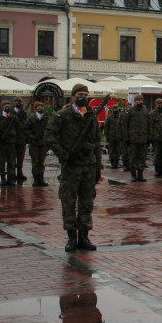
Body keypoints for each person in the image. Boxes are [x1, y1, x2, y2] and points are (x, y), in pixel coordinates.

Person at [46, 84, 103, 252]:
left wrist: (98, 164)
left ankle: (84, 237)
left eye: (85, 94)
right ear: (72, 96)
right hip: (71, 167)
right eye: (79, 94)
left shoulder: (91, 116)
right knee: (68, 202)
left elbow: (97, 141)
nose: (82, 97)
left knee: (86, 202)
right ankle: (71, 237)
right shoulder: (63, 115)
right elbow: (49, 136)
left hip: (88, 166)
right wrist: (64, 155)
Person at [0, 100, 22, 186]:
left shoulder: (14, 118)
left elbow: (19, 130)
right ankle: (3, 178)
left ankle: (11, 178)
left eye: (9, 106)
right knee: (2, 162)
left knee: (11, 161)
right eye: (5, 106)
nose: (7, 108)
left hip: (11, 143)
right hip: (1, 144)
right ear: (2, 107)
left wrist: (17, 140)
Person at [122, 95, 150, 182]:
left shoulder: (145, 112)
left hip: (143, 138)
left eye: (141, 100)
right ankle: (133, 175)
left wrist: (149, 137)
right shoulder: (130, 111)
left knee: (142, 157)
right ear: (135, 101)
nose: (140, 101)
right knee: (133, 157)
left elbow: (149, 125)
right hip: (132, 139)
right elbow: (124, 125)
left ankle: (140, 175)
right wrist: (126, 137)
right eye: (138, 100)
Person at [27, 101, 50, 186]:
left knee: (41, 163)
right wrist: (32, 136)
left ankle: (41, 179)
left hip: (43, 143)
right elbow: (27, 129)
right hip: (34, 143)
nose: (40, 109)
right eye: (39, 108)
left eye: (41, 108)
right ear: (35, 109)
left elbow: (48, 130)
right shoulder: (31, 118)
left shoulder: (45, 118)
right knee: (35, 162)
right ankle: (36, 179)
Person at [11, 97, 28, 182]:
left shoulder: (23, 113)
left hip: (21, 138)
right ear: (13, 102)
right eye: (17, 101)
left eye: (20, 102)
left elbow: (25, 125)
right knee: (12, 157)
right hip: (13, 139)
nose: (18, 103)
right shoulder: (10, 112)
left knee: (20, 157)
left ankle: (19, 172)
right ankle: (12, 173)